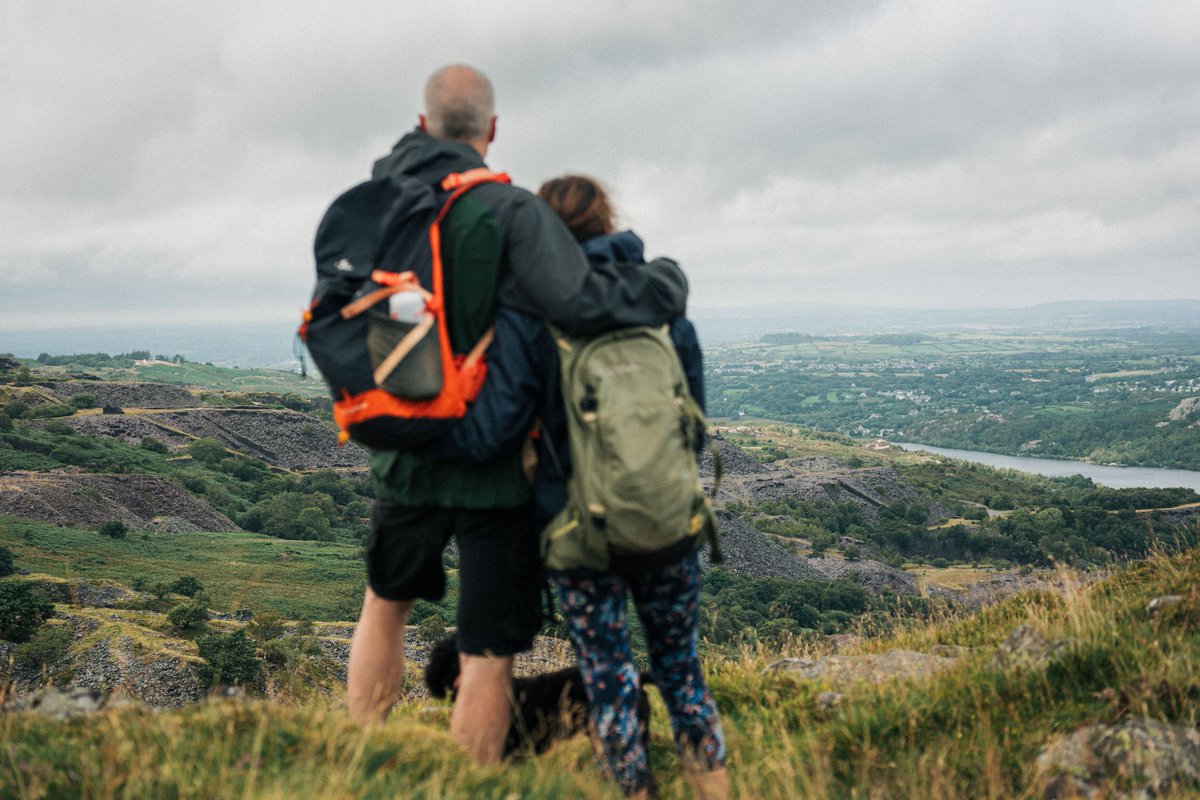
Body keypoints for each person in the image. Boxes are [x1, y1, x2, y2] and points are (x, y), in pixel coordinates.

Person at [345, 67, 690, 769]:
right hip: (494, 465)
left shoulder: (374, 204)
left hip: (403, 446)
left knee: (384, 605)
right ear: (491, 130)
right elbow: (582, 303)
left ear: (421, 123)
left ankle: (360, 764)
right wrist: (665, 282)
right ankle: (473, 782)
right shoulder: (508, 211)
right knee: (488, 645)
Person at [423, 175, 728, 799]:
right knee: (681, 673)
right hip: (670, 527)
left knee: (610, 680)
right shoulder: (663, 310)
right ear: (611, 220)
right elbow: (691, 430)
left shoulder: (533, 316)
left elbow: (498, 432)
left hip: (578, 538)